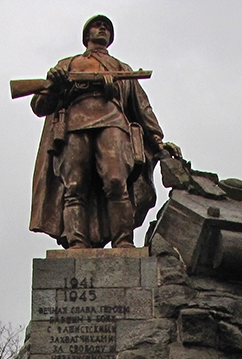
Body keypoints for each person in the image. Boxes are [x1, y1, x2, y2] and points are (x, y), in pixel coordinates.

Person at [29, 15, 177, 249]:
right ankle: (77, 241)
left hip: (113, 122)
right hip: (74, 124)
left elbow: (142, 106)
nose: (102, 29)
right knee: (74, 185)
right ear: (87, 35)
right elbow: (40, 106)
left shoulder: (122, 68)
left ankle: (123, 241)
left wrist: (158, 140)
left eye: (106, 27)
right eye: (97, 26)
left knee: (117, 180)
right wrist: (56, 84)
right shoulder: (68, 64)